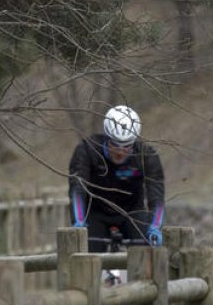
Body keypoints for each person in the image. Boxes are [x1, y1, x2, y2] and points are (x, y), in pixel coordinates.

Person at [68, 105, 166, 252]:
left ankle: (139, 275)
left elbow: (156, 197)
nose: (120, 152)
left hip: (132, 212)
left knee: (145, 250)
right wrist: (79, 222)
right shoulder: (88, 150)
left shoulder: (146, 155)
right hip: (95, 212)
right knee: (87, 252)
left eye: (126, 146)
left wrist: (155, 227)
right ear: (107, 138)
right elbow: (77, 189)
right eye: (115, 144)